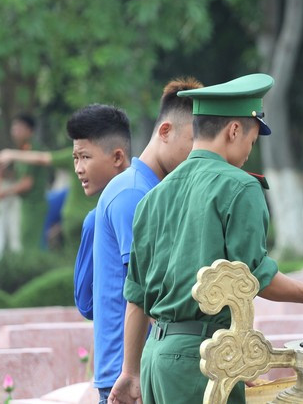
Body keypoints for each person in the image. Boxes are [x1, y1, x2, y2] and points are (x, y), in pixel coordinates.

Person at [109, 74, 303, 404]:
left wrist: (130, 372)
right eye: (252, 141)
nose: (250, 151)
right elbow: (254, 279)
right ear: (234, 130)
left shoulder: (154, 196)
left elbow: (136, 297)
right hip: (203, 361)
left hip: (156, 359)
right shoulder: (239, 186)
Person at [92, 77, 202, 403]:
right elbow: (149, 294)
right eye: (194, 142)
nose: (199, 154)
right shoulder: (134, 194)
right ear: (165, 131)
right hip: (130, 373)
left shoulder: (151, 191)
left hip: (140, 366)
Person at [66, 104, 132, 320]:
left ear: (117, 158)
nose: (78, 168)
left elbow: (86, 304)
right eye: (75, 158)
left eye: (85, 157)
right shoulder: (151, 194)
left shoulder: (97, 220)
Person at [0, 145, 99, 248]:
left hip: (74, 217)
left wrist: (11, 154)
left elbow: (42, 159)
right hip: (91, 217)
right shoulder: (104, 157)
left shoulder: (73, 156)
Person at [0, 114, 50, 250]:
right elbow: (21, 177)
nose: (15, 131)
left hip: (34, 205)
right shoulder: (23, 149)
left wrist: (4, 192)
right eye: (14, 127)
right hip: (27, 205)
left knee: (31, 246)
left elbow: (27, 183)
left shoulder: (32, 150)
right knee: (26, 243)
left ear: (30, 131)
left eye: (19, 127)